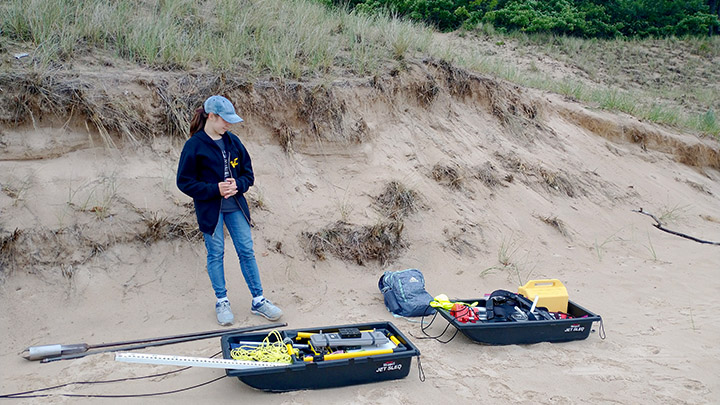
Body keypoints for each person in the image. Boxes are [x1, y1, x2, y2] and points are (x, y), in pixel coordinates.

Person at [176, 95, 282, 325]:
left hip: (236, 207)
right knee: (216, 254)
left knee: (246, 251)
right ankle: (222, 301)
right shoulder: (193, 146)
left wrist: (238, 185)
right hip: (210, 210)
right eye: (225, 120)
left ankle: (259, 300)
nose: (229, 125)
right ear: (211, 117)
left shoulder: (233, 142)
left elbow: (248, 175)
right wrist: (215, 189)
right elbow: (184, 182)